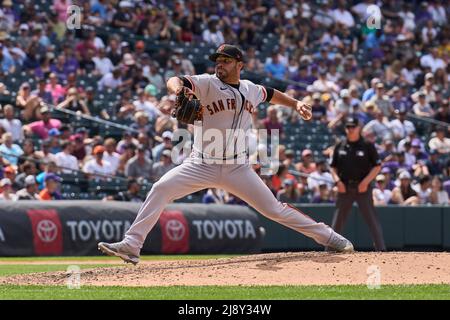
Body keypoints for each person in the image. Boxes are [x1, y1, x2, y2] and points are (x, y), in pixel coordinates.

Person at [98, 44, 353, 264]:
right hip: (200, 164)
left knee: (274, 210)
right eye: (217, 61)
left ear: (239, 64)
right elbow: (177, 80)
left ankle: (330, 237)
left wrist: (296, 103)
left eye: (226, 60)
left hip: (237, 168)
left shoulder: (251, 88)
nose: (220, 64)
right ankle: (132, 245)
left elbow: (271, 94)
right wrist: (177, 91)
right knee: (161, 188)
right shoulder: (207, 83)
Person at [330, 116, 386, 251]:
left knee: (372, 220)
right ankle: (330, 250)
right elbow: (333, 167)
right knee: (338, 221)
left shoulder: (367, 145)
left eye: (352, 127)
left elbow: (377, 166)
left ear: (359, 128)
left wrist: (366, 182)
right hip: (345, 188)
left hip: (363, 189)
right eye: (348, 127)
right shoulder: (340, 145)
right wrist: (338, 181)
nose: (350, 130)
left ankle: (381, 249)